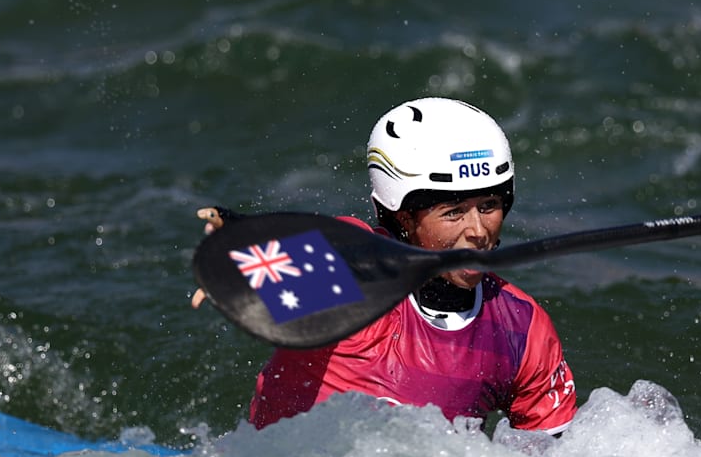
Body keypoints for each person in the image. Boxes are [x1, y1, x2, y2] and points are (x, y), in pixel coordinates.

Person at [193, 97, 577, 434]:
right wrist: (233, 252)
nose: (477, 231)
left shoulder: (523, 329)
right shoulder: (352, 270)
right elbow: (270, 264)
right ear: (401, 218)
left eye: (489, 206)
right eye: (453, 212)